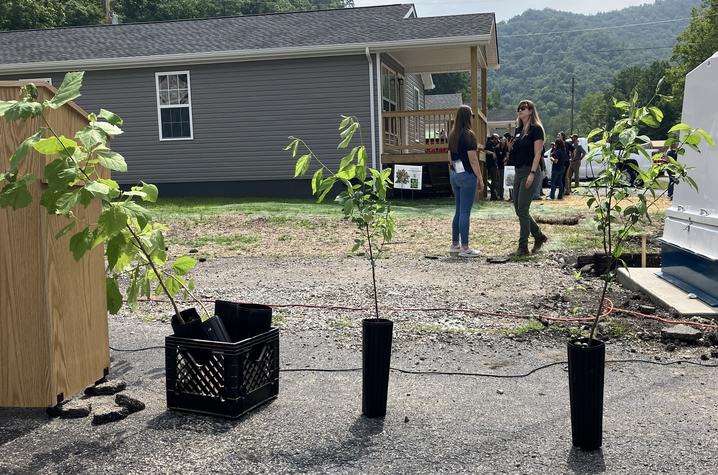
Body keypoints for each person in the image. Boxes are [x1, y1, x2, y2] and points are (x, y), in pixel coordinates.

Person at [506, 100, 548, 256]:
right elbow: (515, 154)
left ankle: (523, 247)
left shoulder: (536, 130)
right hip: (518, 171)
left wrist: (532, 173)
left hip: (530, 171)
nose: (520, 110)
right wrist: (510, 149)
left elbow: (538, 153)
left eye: (523, 108)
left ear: (531, 111)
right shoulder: (518, 131)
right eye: (518, 108)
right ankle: (538, 236)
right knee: (518, 209)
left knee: (523, 209)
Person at [447, 105, 484, 257]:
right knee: (464, 212)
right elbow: (473, 160)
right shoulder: (469, 135)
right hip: (467, 175)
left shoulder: (452, 134)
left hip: (454, 174)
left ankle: (455, 244)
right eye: (472, 115)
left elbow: (449, 157)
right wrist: (480, 178)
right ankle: (465, 248)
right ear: (467, 117)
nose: (473, 118)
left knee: (458, 211)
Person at [485, 135, 499, 200]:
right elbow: (485, 150)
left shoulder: (492, 144)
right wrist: (492, 153)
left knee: (494, 181)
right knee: (493, 181)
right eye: (496, 139)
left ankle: (494, 195)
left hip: (493, 165)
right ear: (493, 139)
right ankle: (493, 196)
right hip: (491, 165)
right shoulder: (489, 143)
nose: (497, 141)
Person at [495, 134, 508, 200]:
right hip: (498, 166)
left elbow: (507, 156)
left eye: (504, 141)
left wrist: (505, 159)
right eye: (502, 141)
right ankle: (498, 195)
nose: (503, 142)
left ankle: (501, 195)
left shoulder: (506, 148)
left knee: (502, 181)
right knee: (498, 181)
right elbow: (495, 158)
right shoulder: (497, 148)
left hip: (504, 167)